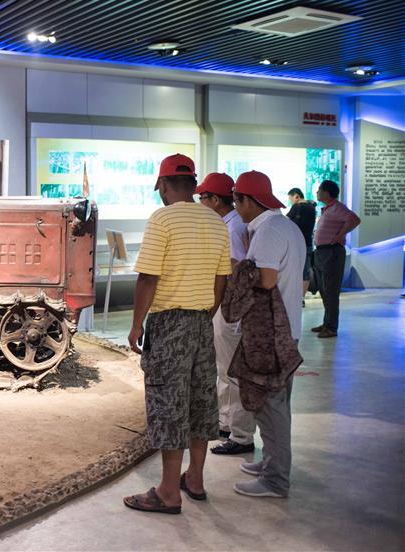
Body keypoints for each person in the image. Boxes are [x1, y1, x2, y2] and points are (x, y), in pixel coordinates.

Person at [123, 154, 231, 514]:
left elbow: (148, 277)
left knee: (168, 404)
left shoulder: (163, 218)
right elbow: (221, 278)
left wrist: (137, 323)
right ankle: (195, 479)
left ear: (164, 185)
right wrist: (205, 313)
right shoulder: (216, 222)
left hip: (170, 323)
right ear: (194, 185)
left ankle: (169, 491)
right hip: (202, 322)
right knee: (200, 399)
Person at [231, 171, 306, 498]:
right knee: (276, 403)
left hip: (271, 334)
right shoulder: (284, 226)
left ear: (247, 200)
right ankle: (271, 464)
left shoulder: (269, 231)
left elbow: (264, 279)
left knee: (269, 404)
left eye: (237, 200)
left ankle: (275, 479)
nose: (236, 208)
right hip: (284, 330)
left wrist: (234, 269)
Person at [196, 173, 256, 456]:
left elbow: (238, 270)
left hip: (230, 307)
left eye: (202, 197)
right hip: (224, 304)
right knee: (223, 368)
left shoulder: (232, 229)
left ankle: (242, 435)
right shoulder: (227, 224)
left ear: (214, 199)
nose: (199, 201)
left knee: (233, 371)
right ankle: (226, 422)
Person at [312, 180, 361, 338]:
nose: (317, 192)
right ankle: (327, 323)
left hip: (331, 252)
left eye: (319, 190)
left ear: (326, 192)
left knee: (331, 291)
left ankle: (332, 327)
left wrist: (340, 235)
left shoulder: (337, 207)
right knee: (324, 290)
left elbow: (354, 219)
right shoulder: (328, 209)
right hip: (322, 252)